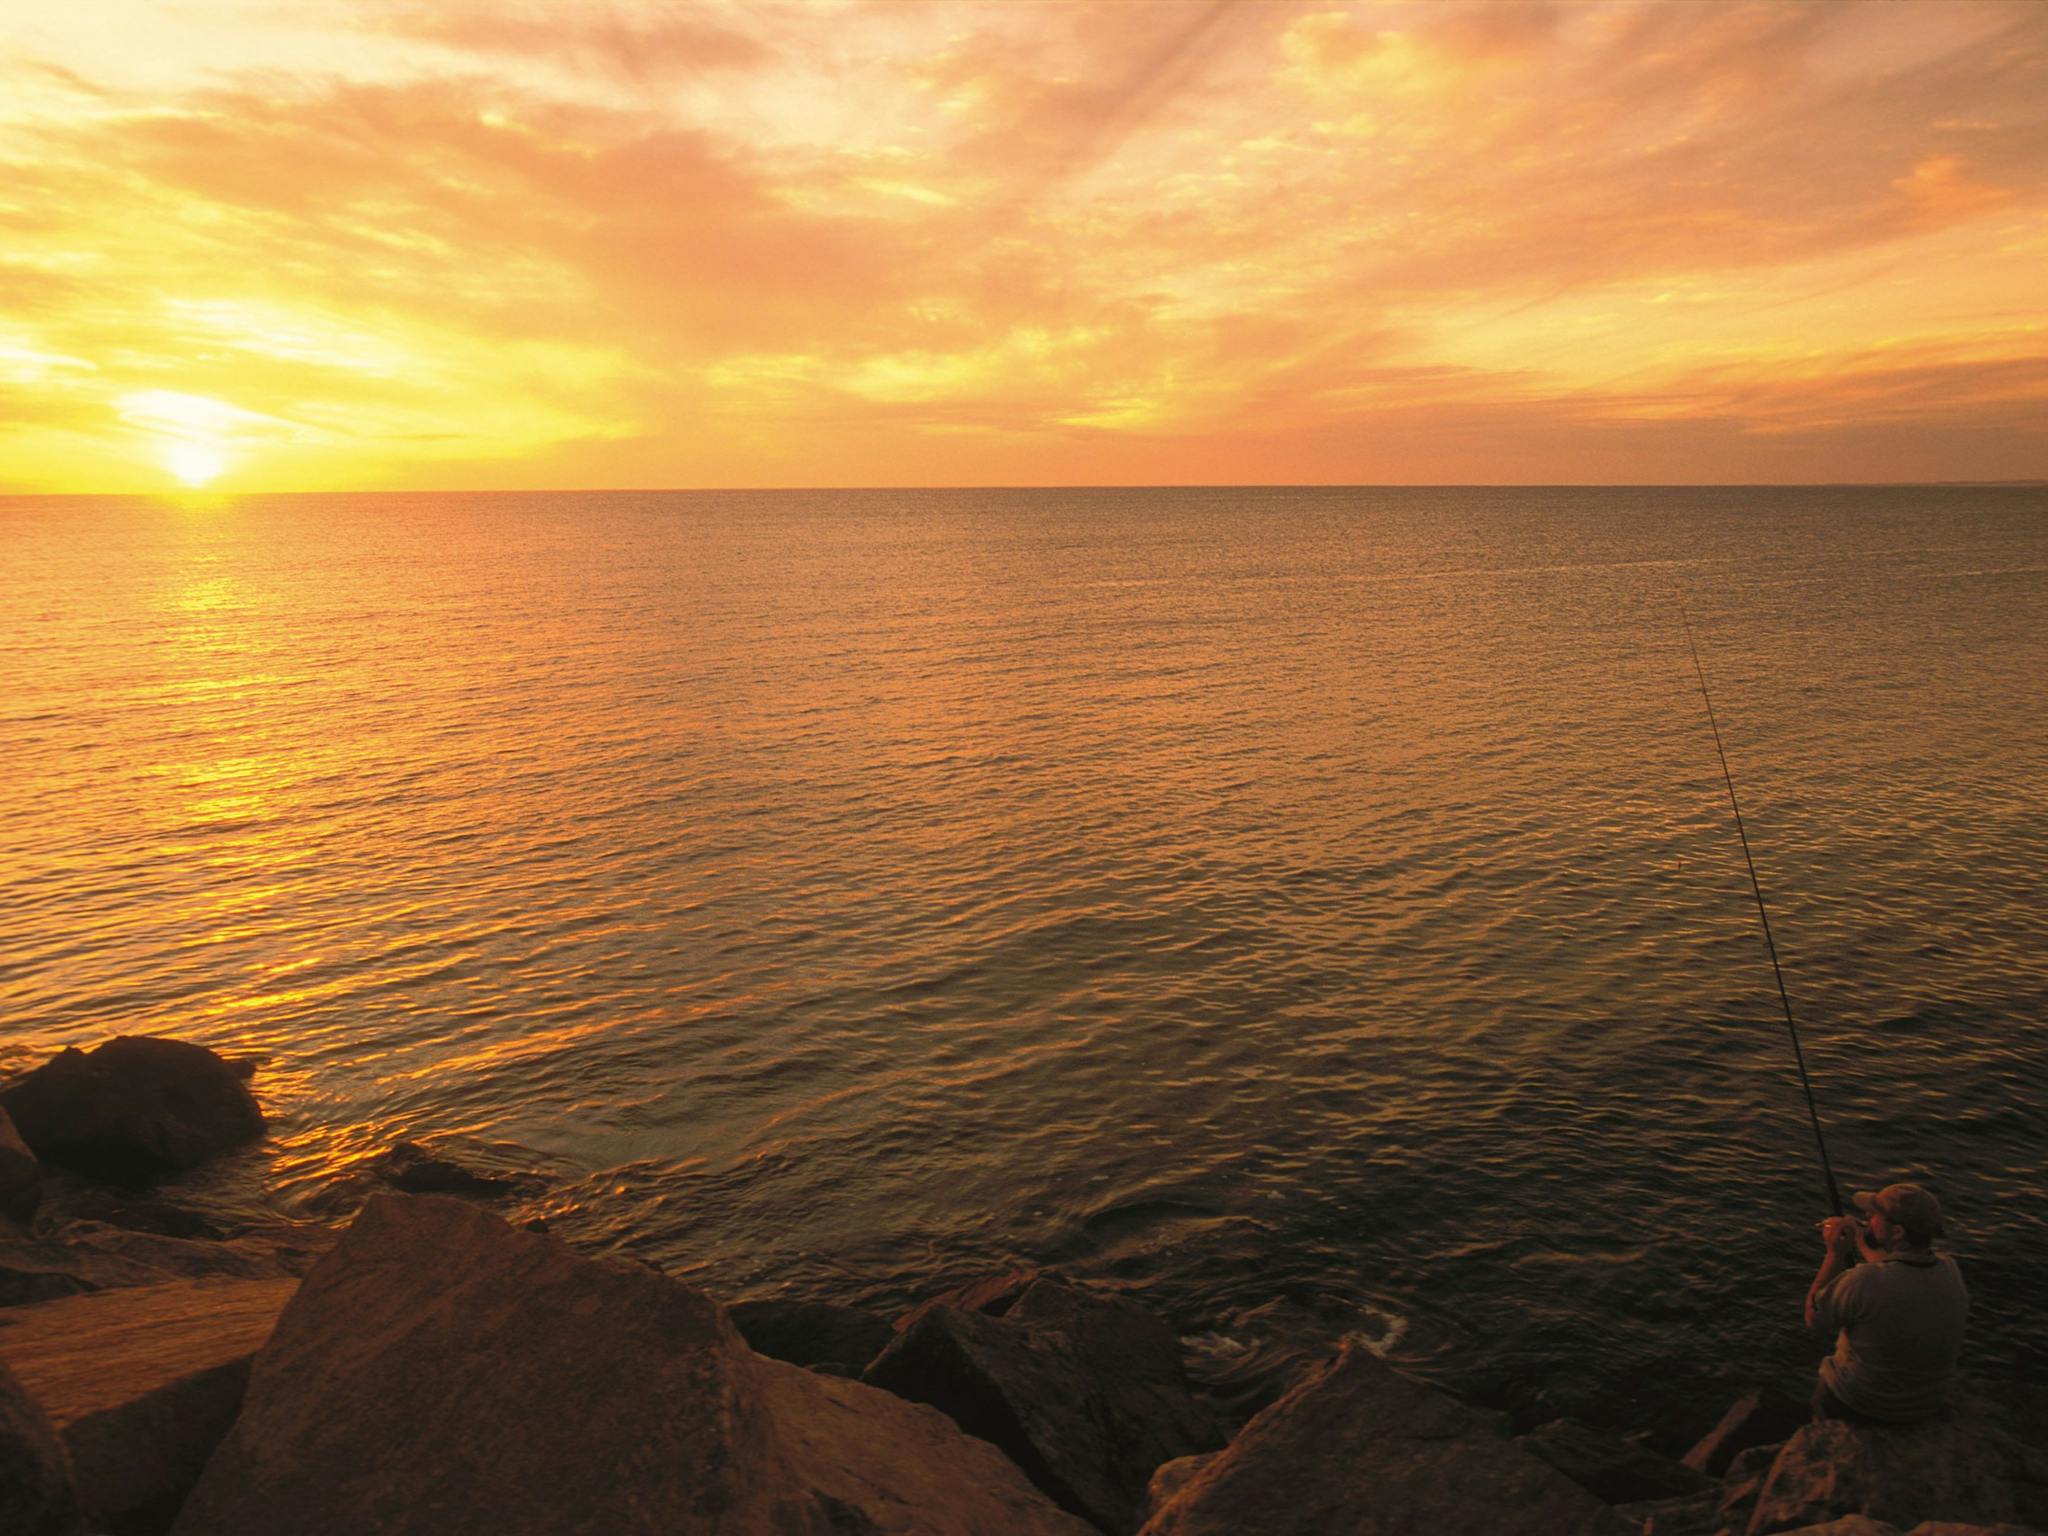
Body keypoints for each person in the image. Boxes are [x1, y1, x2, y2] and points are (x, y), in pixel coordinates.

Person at [1804, 1181, 1969, 1424]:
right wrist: (1861, 1239)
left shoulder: (1864, 1281)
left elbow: (1814, 1319)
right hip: (1923, 1406)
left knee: (1826, 1383)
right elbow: (1895, 1268)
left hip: (1863, 1406)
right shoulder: (1949, 1268)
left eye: (1875, 1215)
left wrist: (1834, 1253)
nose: (1867, 1215)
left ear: (1898, 1232)